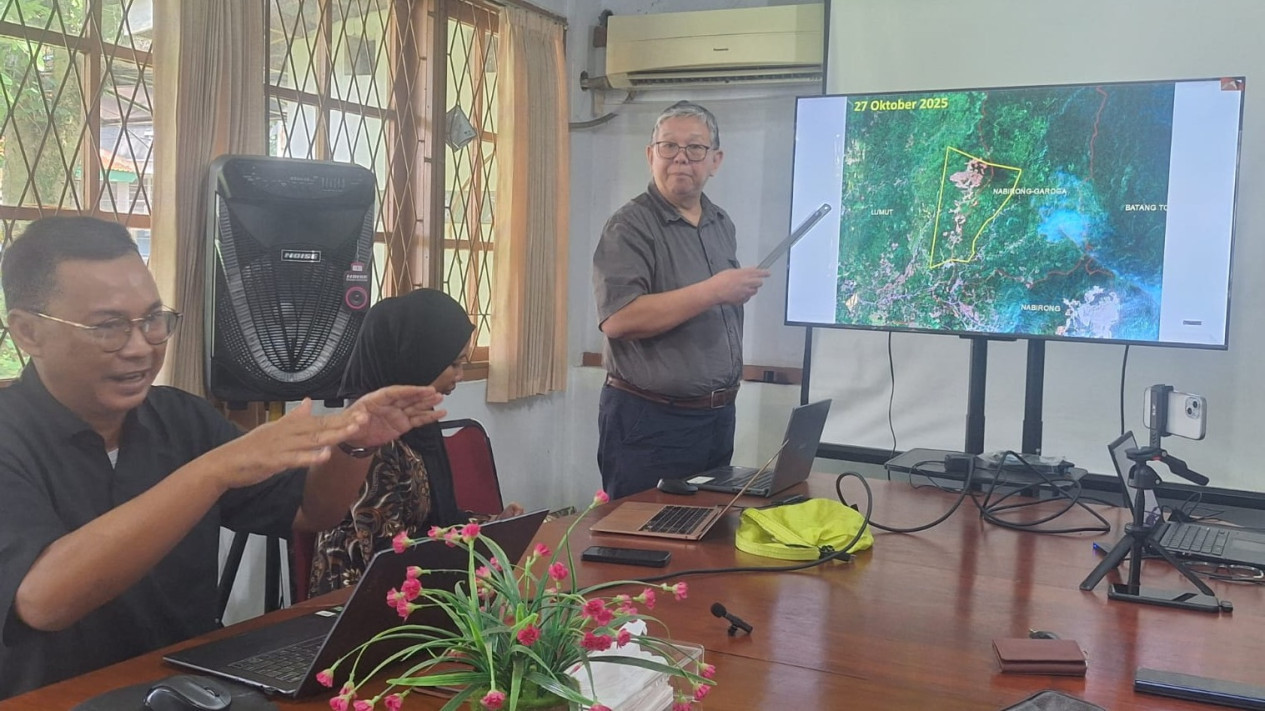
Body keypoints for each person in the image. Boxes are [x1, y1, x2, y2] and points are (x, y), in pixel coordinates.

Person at [0, 216, 446, 699]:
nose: (140, 348)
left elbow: (312, 512)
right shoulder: (11, 436)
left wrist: (355, 442)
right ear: (27, 333)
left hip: (185, 689)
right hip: (55, 696)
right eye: (108, 326)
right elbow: (43, 600)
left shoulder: (181, 418)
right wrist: (213, 471)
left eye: (153, 320)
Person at [592, 100, 770, 500]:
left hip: (716, 417)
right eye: (668, 147)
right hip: (650, 421)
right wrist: (714, 290)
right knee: (645, 545)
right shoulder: (629, 225)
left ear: (715, 160)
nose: (681, 159)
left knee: (705, 538)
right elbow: (619, 319)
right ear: (650, 154)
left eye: (695, 148)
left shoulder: (720, 222)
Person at [308, 289, 523, 597]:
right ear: (417, 360)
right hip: (363, 604)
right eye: (454, 364)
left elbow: (437, 523)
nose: (460, 375)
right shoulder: (368, 442)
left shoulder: (420, 427)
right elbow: (390, 555)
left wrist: (494, 526)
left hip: (420, 585)